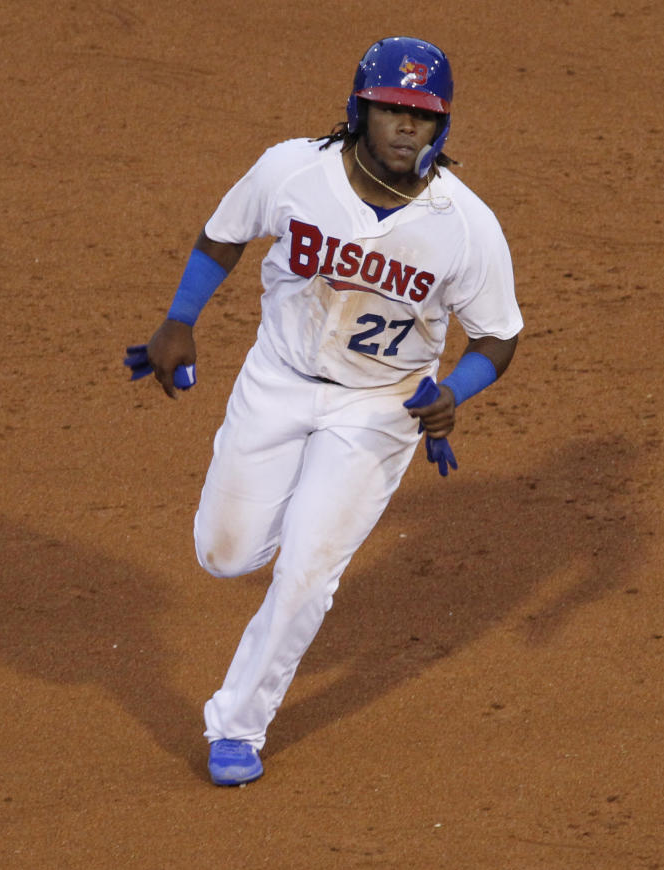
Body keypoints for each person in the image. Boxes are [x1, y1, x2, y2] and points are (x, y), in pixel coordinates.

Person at [138, 36, 523, 786]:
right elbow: (224, 236)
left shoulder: (466, 224)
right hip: (277, 380)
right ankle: (294, 500)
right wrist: (180, 319)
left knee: (309, 572)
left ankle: (238, 729)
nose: (407, 125)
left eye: (423, 113)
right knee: (226, 555)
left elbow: (500, 336)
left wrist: (452, 394)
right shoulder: (292, 170)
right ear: (359, 109)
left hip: (380, 408)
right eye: (393, 108)